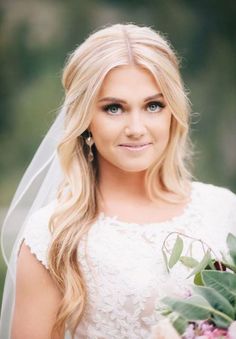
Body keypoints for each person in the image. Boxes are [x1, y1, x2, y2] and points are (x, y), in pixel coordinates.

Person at [1, 23, 236, 339]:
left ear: (172, 112)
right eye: (114, 108)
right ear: (85, 119)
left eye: (153, 105)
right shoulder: (53, 237)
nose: (136, 127)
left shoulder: (223, 209)